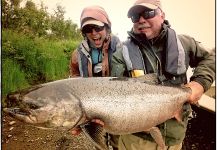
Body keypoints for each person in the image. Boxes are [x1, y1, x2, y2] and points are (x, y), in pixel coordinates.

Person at [110, 0, 215, 149]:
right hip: (136, 139)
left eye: (148, 13)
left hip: (175, 137)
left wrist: (200, 82)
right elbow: (114, 95)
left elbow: (211, 57)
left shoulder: (185, 43)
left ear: (162, 15)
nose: (141, 19)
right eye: (135, 16)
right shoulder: (120, 54)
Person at [69, 5, 122, 150]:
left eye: (98, 28)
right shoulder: (77, 55)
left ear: (107, 28)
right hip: (91, 110)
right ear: (84, 33)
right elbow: (75, 79)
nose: (93, 33)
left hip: (116, 107)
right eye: (88, 29)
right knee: (98, 144)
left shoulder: (121, 49)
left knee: (118, 141)